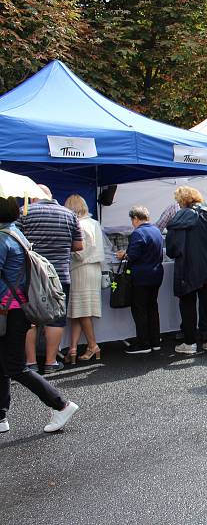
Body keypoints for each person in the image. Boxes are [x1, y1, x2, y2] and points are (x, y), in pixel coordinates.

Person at [0, 196, 79, 433]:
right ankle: (1, 416)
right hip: (16, 308)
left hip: (9, 310)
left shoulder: (3, 238)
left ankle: (61, 404)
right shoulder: (15, 234)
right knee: (3, 364)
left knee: (15, 367)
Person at [20, 185, 83, 374]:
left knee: (28, 320)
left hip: (30, 275)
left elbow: (17, 242)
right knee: (55, 318)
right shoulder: (69, 214)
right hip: (59, 275)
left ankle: (30, 363)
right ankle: (50, 362)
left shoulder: (24, 212)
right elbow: (79, 245)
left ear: (33, 197)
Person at [166, 186, 207, 355]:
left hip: (187, 267)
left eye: (178, 200)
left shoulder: (179, 218)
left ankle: (190, 343)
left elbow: (172, 249)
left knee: (188, 304)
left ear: (182, 201)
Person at [62, 195, 105, 364]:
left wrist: (67, 253)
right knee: (77, 311)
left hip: (81, 269)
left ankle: (93, 345)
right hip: (92, 269)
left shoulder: (80, 224)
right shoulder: (93, 223)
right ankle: (73, 348)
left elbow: (81, 252)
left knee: (82, 311)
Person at [116, 206, 163, 355]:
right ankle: (155, 341)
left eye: (132, 220)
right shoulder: (156, 230)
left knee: (140, 309)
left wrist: (124, 254)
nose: (132, 223)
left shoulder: (138, 233)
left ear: (135, 218)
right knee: (152, 308)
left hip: (141, 276)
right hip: (156, 274)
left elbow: (134, 255)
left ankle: (143, 343)